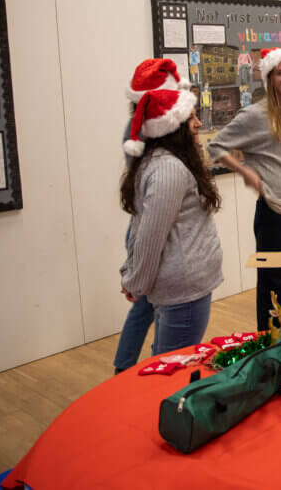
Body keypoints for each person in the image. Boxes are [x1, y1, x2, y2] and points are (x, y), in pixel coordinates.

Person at [209, 47, 281, 329]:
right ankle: (271, 345)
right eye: (280, 73)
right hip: (273, 212)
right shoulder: (255, 114)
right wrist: (245, 171)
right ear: (269, 78)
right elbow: (216, 146)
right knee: (274, 284)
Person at [119, 87, 223, 355]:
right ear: (173, 128)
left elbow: (142, 228)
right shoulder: (168, 170)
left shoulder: (165, 163)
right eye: (191, 118)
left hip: (181, 288)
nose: (199, 124)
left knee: (167, 359)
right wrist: (135, 280)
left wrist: (133, 275)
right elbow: (149, 236)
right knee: (172, 372)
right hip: (183, 291)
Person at [113, 58, 191, 373]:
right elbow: (154, 209)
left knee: (145, 306)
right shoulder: (150, 135)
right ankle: (130, 368)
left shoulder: (137, 131)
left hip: (147, 225)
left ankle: (127, 366)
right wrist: (134, 271)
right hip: (151, 226)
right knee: (146, 305)